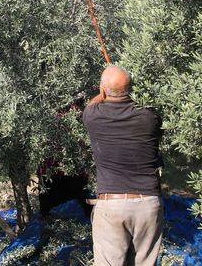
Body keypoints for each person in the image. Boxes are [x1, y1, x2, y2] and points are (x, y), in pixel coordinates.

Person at [82, 65, 164, 266]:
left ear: (102, 90)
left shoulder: (92, 116)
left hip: (112, 205)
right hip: (148, 205)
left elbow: (94, 101)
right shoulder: (150, 116)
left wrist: (105, 89)